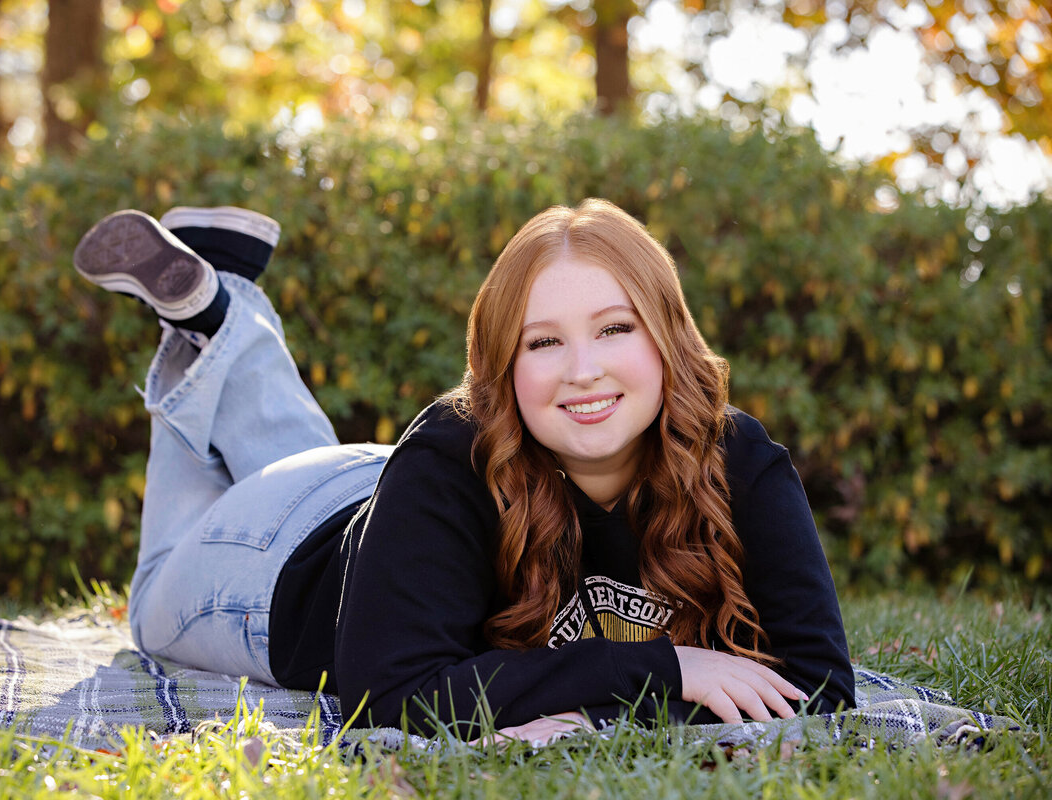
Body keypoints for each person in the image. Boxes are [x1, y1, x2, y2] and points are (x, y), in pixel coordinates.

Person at [73, 198, 855, 743]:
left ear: (667, 338)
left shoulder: (739, 459)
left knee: (304, 460)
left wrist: (582, 699)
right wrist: (665, 667)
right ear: (502, 365)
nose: (583, 370)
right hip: (272, 564)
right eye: (543, 342)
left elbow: (819, 683)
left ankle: (221, 306)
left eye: (614, 328)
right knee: (148, 606)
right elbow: (389, 695)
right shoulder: (452, 452)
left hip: (376, 498)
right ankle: (210, 322)